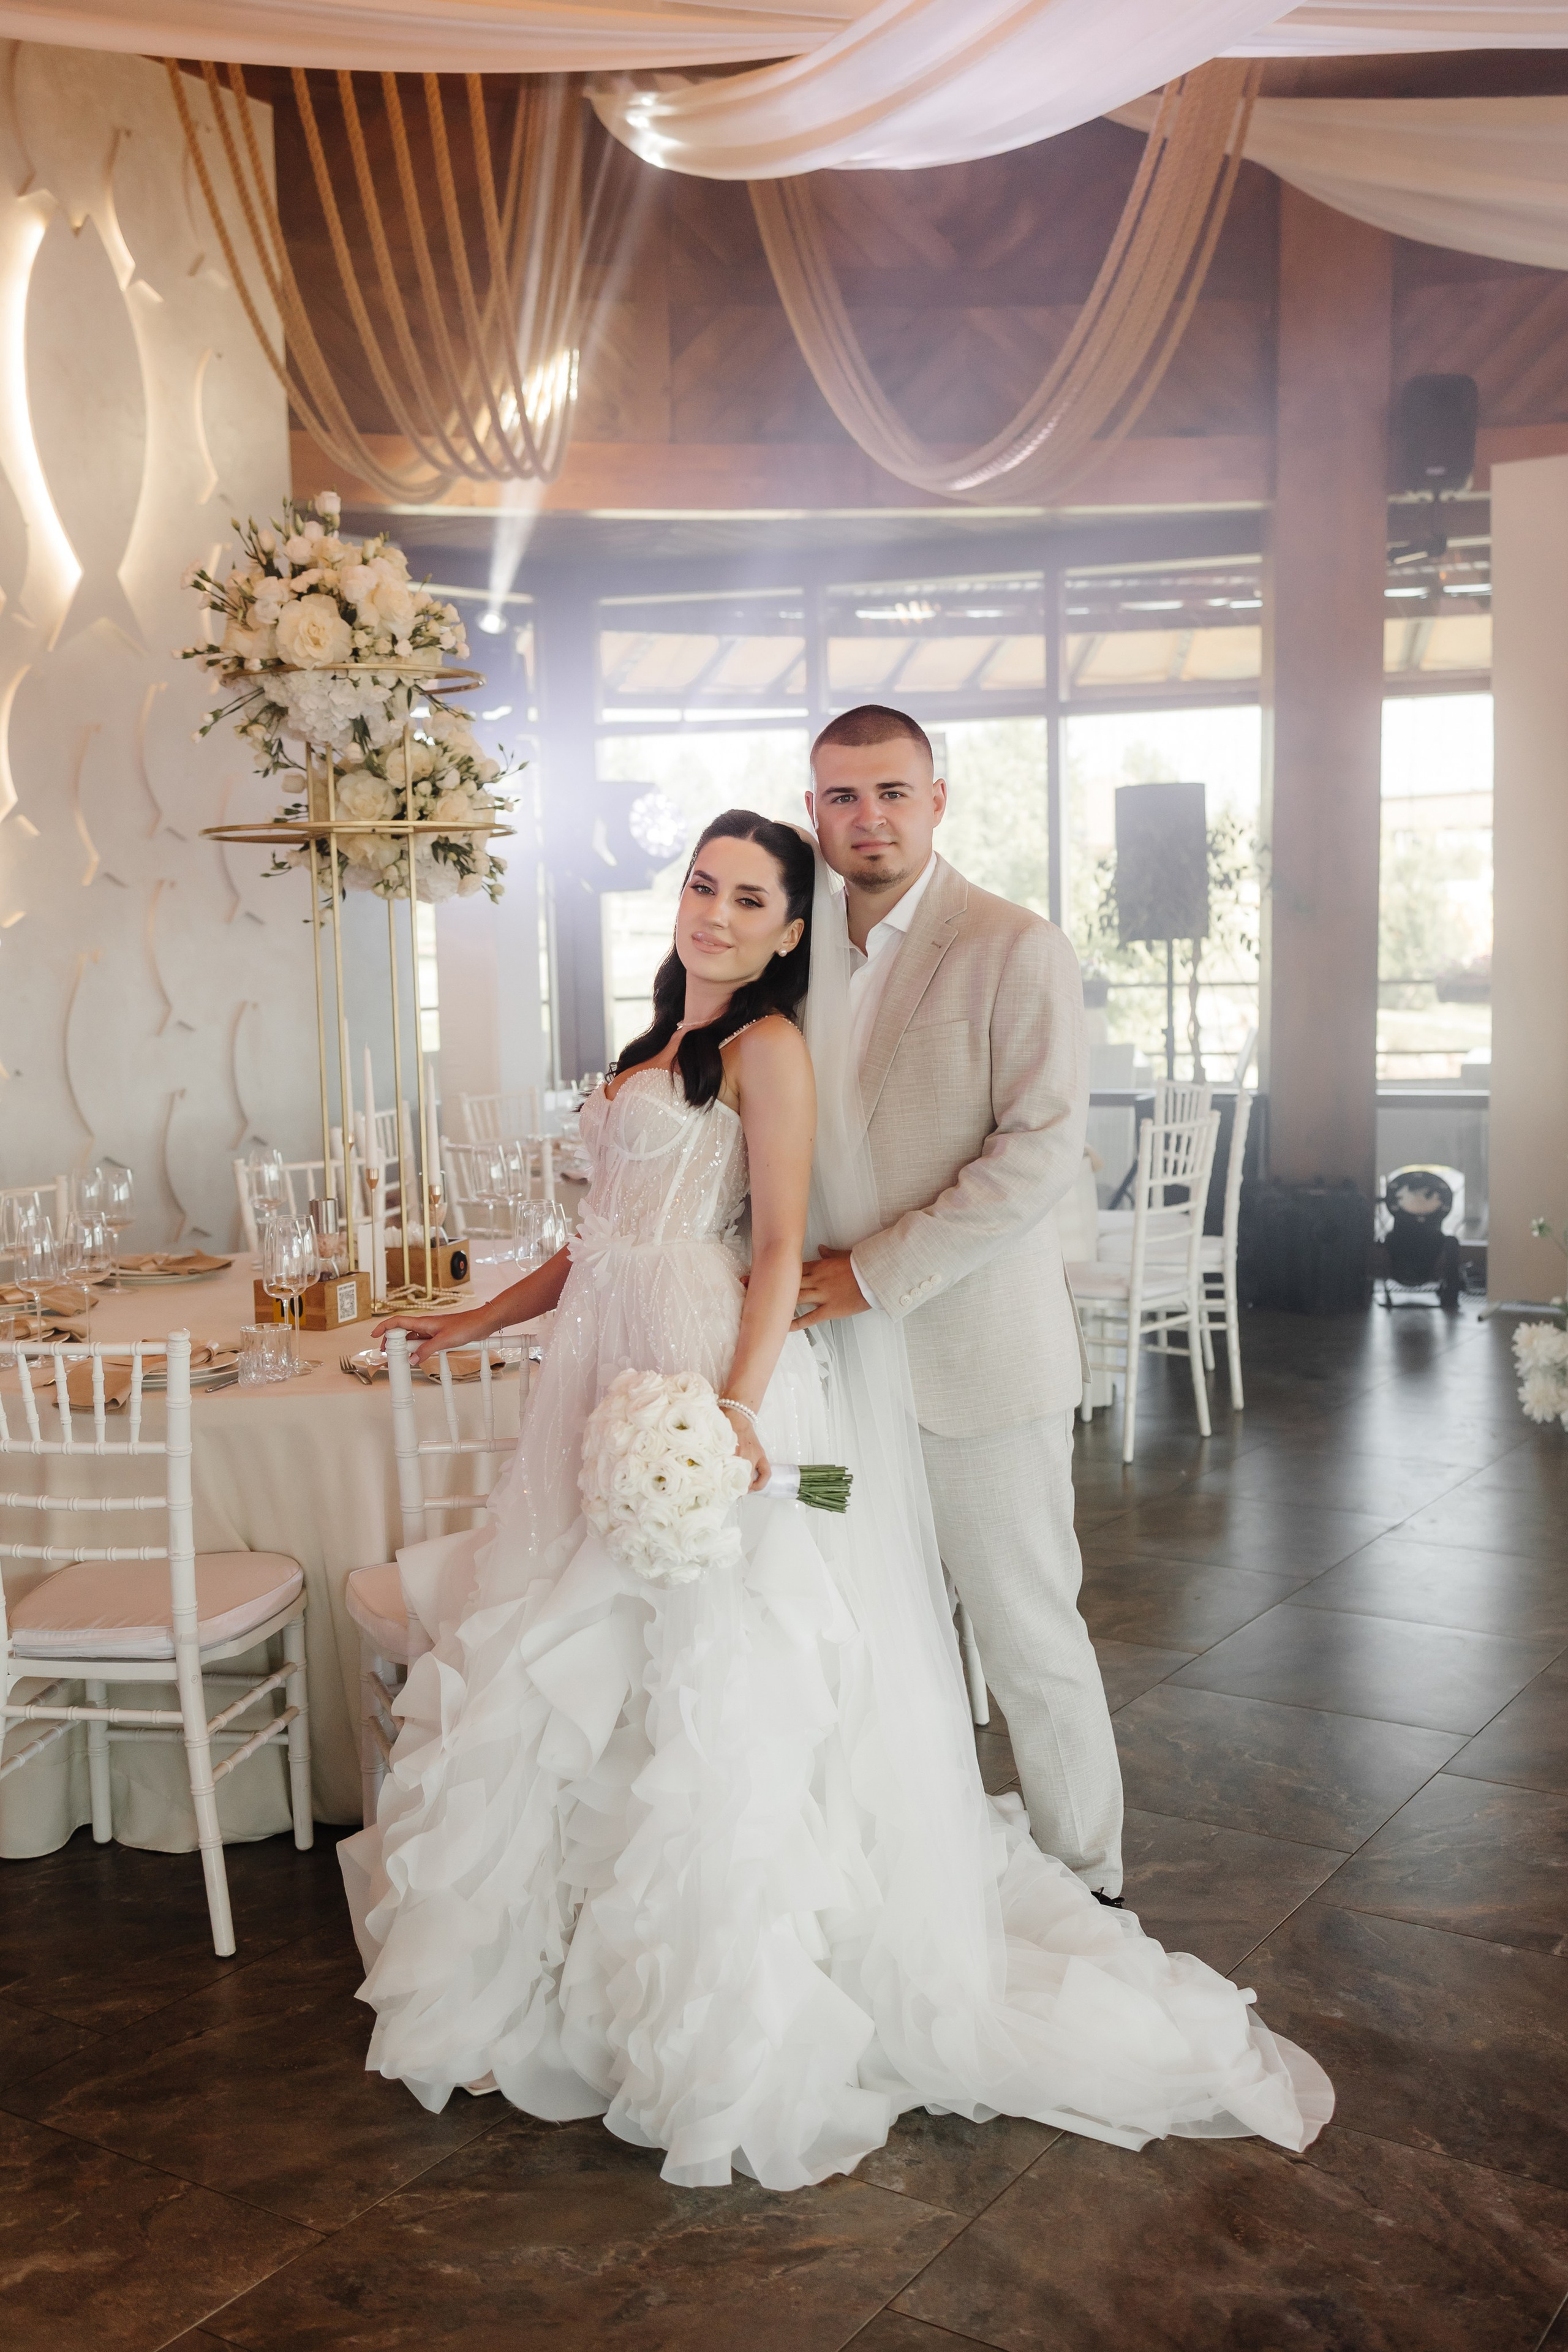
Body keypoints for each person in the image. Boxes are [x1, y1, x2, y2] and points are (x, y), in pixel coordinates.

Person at [339, 806, 1331, 2190]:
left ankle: (716, 1993)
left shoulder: (768, 1049)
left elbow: (775, 1250)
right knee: (581, 1644)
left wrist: (734, 1412)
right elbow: (595, 1237)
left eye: (750, 899)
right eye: (703, 886)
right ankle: (559, 1953)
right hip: (596, 1365)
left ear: (789, 931)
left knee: (711, 1664)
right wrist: (475, 1319)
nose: (715, 913)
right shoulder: (655, 1044)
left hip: (695, 1363)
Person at [799, 703, 1122, 1899]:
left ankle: (1089, 1876)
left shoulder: (1012, 944)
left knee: (1025, 1632)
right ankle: (915, 1877)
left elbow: (1038, 1155)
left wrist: (870, 1274)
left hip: (973, 1368)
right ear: (813, 814)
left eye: (892, 792)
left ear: (936, 800)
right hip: (829, 1387)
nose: (868, 818)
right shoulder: (796, 955)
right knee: (863, 1626)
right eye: (843, 797)